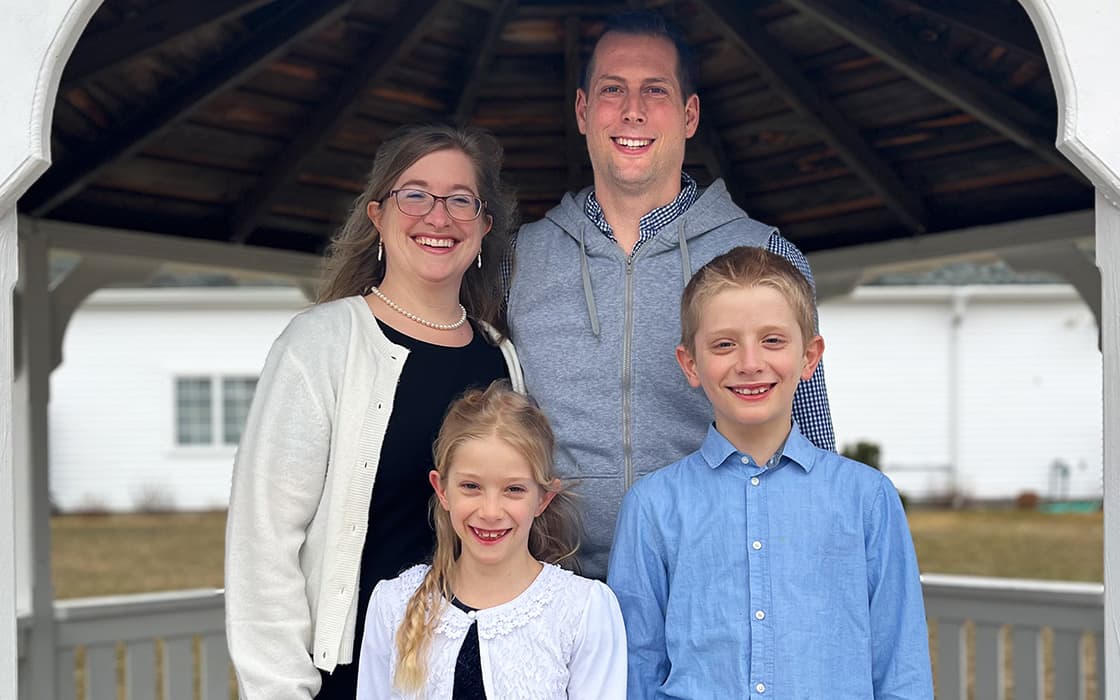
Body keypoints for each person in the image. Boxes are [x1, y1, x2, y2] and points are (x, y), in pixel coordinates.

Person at [506, 10, 835, 579]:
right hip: (554, 599)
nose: (632, 109)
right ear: (584, 110)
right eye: (613, 89)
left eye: (654, 90)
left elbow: (812, 450)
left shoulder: (768, 257)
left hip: (718, 590)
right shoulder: (517, 260)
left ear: (689, 114)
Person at [225, 124, 523, 699]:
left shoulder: (500, 356)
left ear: (484, 229)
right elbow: (263, 543)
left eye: (461, 200)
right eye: (414, 195)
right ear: (378, 216)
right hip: (349, 680)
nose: (438, 217)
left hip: (472, 678)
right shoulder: (322, 343)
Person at [608, 247, 932, 699]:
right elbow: (636, 669)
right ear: (690, 363)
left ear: (809, 356)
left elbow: (902, 668)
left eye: (773, 340)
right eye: (724, 344)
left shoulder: (867, 498)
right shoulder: (652, 506)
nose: (749, 363)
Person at [356, 381, 628, 699]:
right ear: (442, 489)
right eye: (471, 486)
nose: (490, 511)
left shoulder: (583, 611)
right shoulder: (392, 605)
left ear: (543, 498)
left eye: (514, 489)